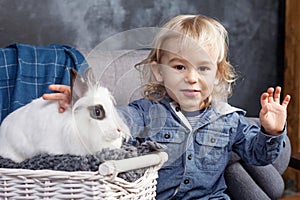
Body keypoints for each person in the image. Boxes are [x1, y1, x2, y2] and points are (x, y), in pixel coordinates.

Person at [43, 15, 291, 199]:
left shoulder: (230, 120)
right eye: (180, 67)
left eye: (203, 68)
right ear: (159, 72)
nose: (192, 78)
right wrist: (86, 105)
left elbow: (258, 155)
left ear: (217, 74)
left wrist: (271, 132)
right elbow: (117, 121)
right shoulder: (146, 111)